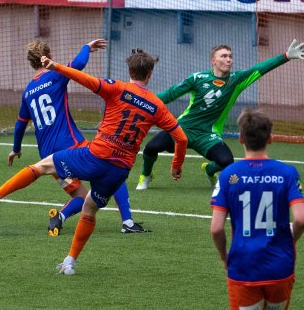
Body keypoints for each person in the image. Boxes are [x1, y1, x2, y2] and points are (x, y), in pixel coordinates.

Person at [28, 48, 188, 275]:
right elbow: (181, 138)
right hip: (119, 169)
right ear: (150, 74)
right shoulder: (156, 105)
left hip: (96, 156)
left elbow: (84, 79)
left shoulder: (117, 88)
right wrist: (176, 166)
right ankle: (71, 260)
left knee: (46, 165)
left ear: (129, 70)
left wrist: (56, 67)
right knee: (90, 208)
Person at [0, 39, 148, 235]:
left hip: (48, 155)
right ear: (49, 57)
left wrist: (16, 149)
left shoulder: (28, 92)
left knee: (81, 196)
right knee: (112, 172)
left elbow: (20, 124)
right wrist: (87, 47)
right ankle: (128, 222)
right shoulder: (55, 76)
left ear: (30, 62)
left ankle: (58, 216)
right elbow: (78, 64)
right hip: (71, 145)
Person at [136, 39, 304, 190]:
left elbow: (260, 68)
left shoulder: (236, 80)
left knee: (227, 161)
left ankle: (209, 170)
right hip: (183, 128)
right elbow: (170, 94)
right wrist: (141, 100)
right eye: (224, 56)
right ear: (213, 61)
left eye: (230, 56)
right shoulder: (197, 78)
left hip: (208, 135)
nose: (229, 60)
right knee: (151, 148)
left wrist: (286, 56)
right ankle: (146, 175)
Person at [210, 108, 304, 310]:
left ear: (240, 138)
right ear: (270, 138)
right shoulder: (287, 173)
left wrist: (224, 257)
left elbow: (216, 228)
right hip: (280, 265)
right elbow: (301, 219)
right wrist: (290, 241)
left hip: (243, 266)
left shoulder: (228, 175)